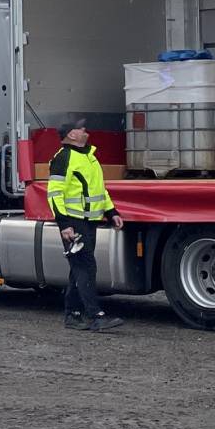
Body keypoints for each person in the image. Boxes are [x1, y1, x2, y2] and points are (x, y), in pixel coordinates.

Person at [47, 120, 123, 333]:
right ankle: (95, 316)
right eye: (80, 128)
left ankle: (73, 315)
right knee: (85, 267)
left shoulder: (89, 156)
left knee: (79, 269)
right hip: (74, 222)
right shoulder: (63, 158)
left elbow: (99, 189)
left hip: (89, 222)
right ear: (71, 134)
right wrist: (64, 224)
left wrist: (111, 212)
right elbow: (54, 194)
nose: (84, 130)